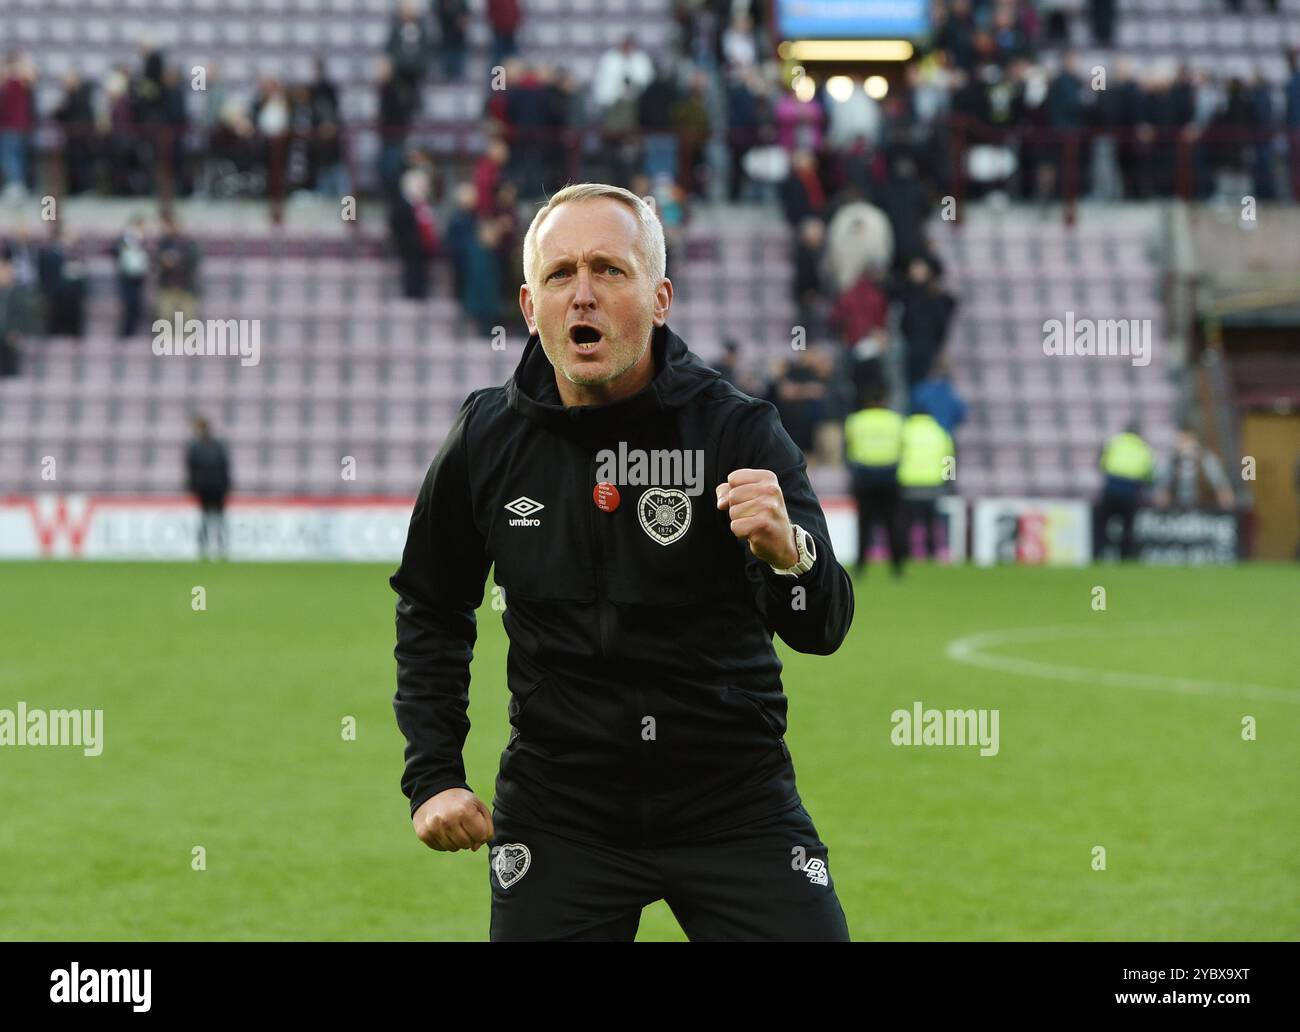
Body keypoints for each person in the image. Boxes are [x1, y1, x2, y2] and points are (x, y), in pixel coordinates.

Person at [390, 183, 854, 942]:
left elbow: (823, 628)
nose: (583, 295)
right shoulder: (486, 439)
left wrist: (790, 557)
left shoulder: (739, 433)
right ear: (529, 306)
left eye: (609, 269)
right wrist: (433, 775)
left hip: (731, 801)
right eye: (560, 274)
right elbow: (433, 606)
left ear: (660, 297)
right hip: (561, 810)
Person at [844, 386, 905, 577]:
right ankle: (897, 568)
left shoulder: (855, 421)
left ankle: (861, 567)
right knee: (893, 524)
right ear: (884, 401)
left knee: (864, 525)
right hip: (889, 477)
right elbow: (903, 448)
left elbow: (848, 450)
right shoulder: (896, 420)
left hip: (864, 478)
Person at [898, 404, 955, 559]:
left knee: (907, 523)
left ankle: (905, 554)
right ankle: (931, 554)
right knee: (931, 523)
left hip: (908, 483)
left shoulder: (904, 430)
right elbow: (949, 460)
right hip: (933, 484)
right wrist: (949, 483)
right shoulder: (941, 432)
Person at [1093, 422, 1155, 561]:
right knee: (1128, 528)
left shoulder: (1114, 442)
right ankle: (1125, 557)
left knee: (1101, 525)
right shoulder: (1144, 447)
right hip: (1131, 492)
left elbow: (1101, 464)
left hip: (1111, 490)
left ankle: (1098, 554)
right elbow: (1149, 474)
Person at [1154, 429, 1235, 511]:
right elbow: (1162, 491)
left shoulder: (1206, 459)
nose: (1186, 446)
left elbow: (1222, 487)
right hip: (1177, 510)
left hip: (1204, 508)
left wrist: (1226, 506)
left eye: (1188, 441)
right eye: (1182, 441)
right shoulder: (1173, 460)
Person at [186, 416, 231, 561]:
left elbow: (192, 469)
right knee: (209, 518)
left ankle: (218, 548)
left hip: (213, 487)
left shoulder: (201, 447)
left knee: (214, 518)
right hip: (210, 487)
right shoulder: (212, 446)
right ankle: (207, 548)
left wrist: (193, 486)